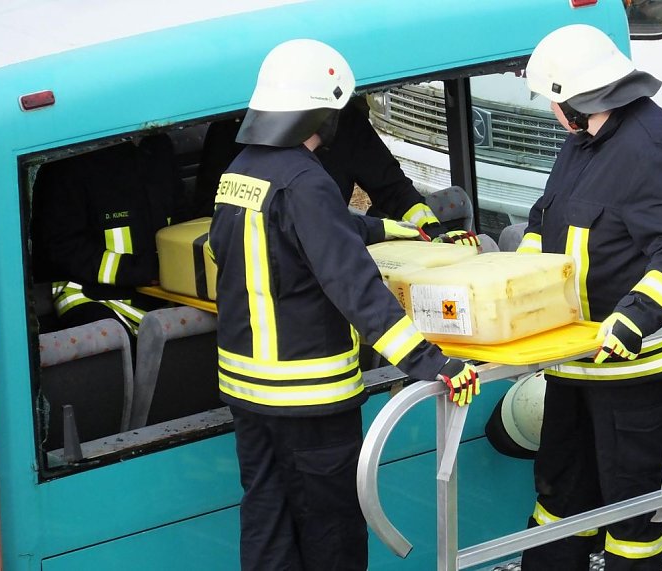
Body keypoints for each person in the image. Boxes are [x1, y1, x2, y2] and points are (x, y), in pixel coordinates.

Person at [207, 39, 479, 570]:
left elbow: (283, 236)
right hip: (310, 398)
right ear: (323, 112)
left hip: (246, 392)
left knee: (267, 521)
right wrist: (434, 363)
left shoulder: (241, 171)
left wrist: (391, 228)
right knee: (332, 535)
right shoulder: (306, 180)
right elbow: (355, 287)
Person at [515, 25, 662, 570]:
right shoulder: (582, 143)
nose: (551, 110)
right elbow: (545, 220)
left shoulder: (651, 148)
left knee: (632, 523)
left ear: (576, 100)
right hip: (572, 366)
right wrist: (516, 284)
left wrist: (634, 318)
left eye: (553, 99)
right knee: (559, 503)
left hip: (634, 376)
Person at [192, 97, 479, 246]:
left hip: (335, 250)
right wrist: (376, 229)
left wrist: (433, 232)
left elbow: (392, 188)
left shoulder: (344, 124)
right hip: (259, 263)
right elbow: (208, 213)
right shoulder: (232, 132)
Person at [31, 134, 189, 348]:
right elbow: (61, 249)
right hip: (94, 296)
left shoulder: (157, 146)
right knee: (110, 344)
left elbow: (182, 217)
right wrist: (139, 270)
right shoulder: (68, 162)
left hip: (166, 291)